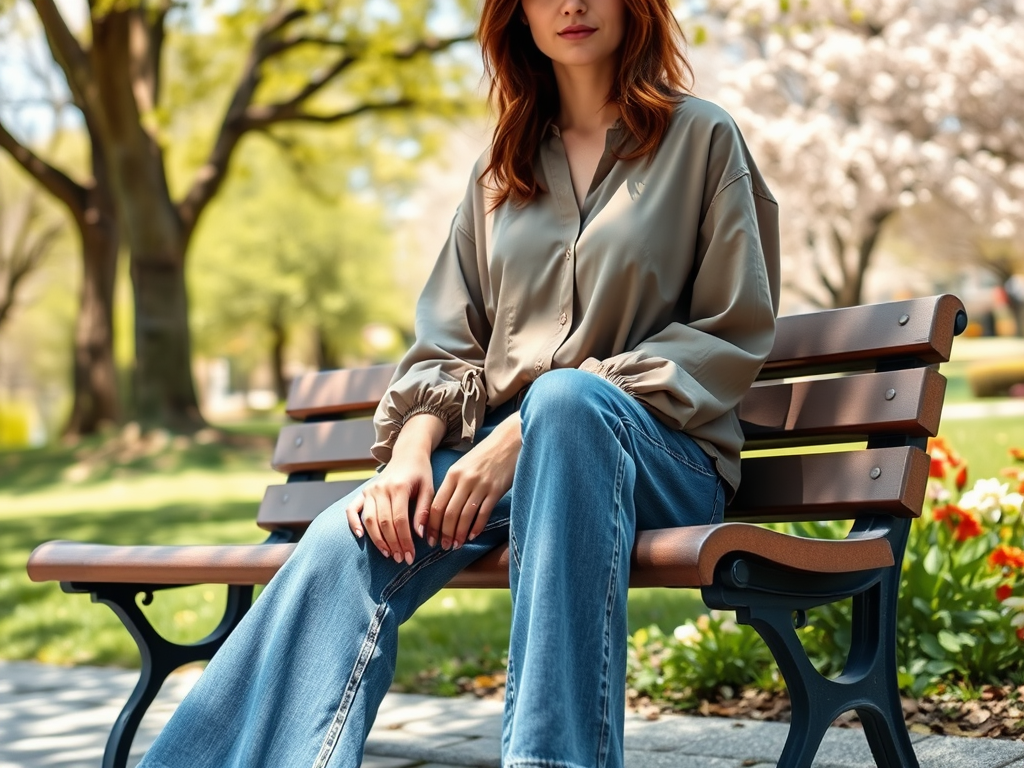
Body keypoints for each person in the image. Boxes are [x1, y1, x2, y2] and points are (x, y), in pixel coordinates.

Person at [138, 0, 780, 764]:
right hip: (503, 468)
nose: (570, 5)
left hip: (660, 457)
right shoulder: (501, 169)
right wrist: (409, 454)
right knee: (345, 543)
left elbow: (729, 330)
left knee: (566, 402)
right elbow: (448, 341)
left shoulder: (702, 139)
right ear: (519, 19)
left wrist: (524, 429)